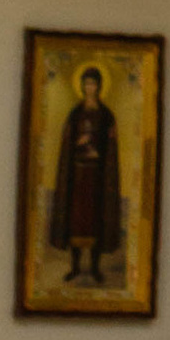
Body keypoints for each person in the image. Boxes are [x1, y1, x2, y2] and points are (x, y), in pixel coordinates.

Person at [50, 65, 123, 287]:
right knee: (76, 223)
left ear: (99, 86)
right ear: (82, 86)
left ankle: (94, 268)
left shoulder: (106, 114)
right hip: (78, 177)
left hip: (97, 179)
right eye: (86, 83)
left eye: (92, 83)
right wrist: (77, 144)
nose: (89, 87)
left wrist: (98, 148)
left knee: (96, 223)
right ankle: (74, 267)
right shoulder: (75, 113)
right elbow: (67, 143)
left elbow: (111, 145)